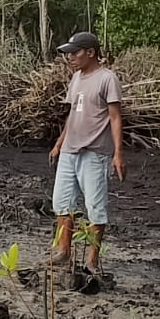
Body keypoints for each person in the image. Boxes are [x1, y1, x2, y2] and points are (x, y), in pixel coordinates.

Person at [45, 31, 124, 272]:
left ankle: (92, 260)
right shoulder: (77, 78)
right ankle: (64, 251)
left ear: (91, 53)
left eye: (75, 52)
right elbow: (72, 115)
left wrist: (118, 153)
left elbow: (115, 117)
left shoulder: (107, 79)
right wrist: (59, 143)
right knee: (61, 202)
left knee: (95, 206)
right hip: (70, 151)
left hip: (95, 152)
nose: (70, 57)